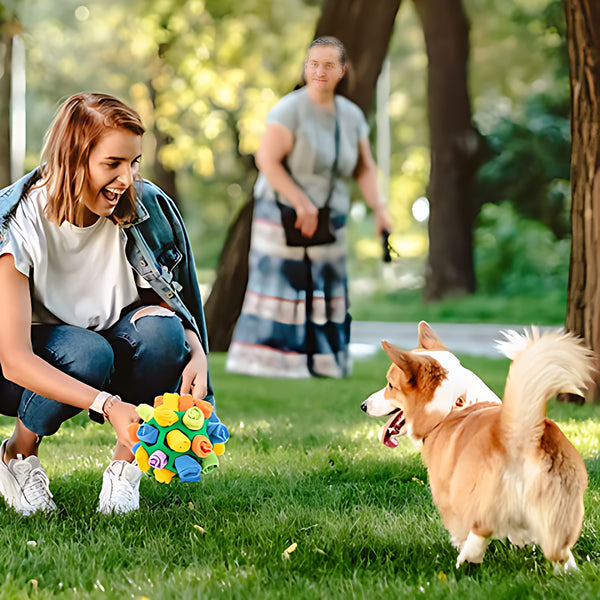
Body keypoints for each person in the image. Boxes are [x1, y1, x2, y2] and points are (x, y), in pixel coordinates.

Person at [0, 93, 215, 515]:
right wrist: (108, 405)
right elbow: (12, 358)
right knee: (87, 351)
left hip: (114, 342)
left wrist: (195, 348)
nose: (127, 179)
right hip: (30, 367)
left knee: (162, 333)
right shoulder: (18, 224)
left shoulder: (141, 207)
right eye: (113, 164)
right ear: (74, 159)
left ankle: (127, 460)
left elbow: (169, 302)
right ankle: (17, 455)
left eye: (133, 163)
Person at [226, 36, 392, 378]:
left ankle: (326, 364)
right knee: (282, 286)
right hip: (282, 211)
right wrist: (301, 203)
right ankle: (274, 364)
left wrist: (380, 210)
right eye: (313, 63)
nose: (320, 71)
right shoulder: (289, 110)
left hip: (330, 214)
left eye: (329, 65)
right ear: (306, 67)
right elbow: (267, 160)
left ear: (342, 71)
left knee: (328, 287)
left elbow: (364, 167)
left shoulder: (351, 117)